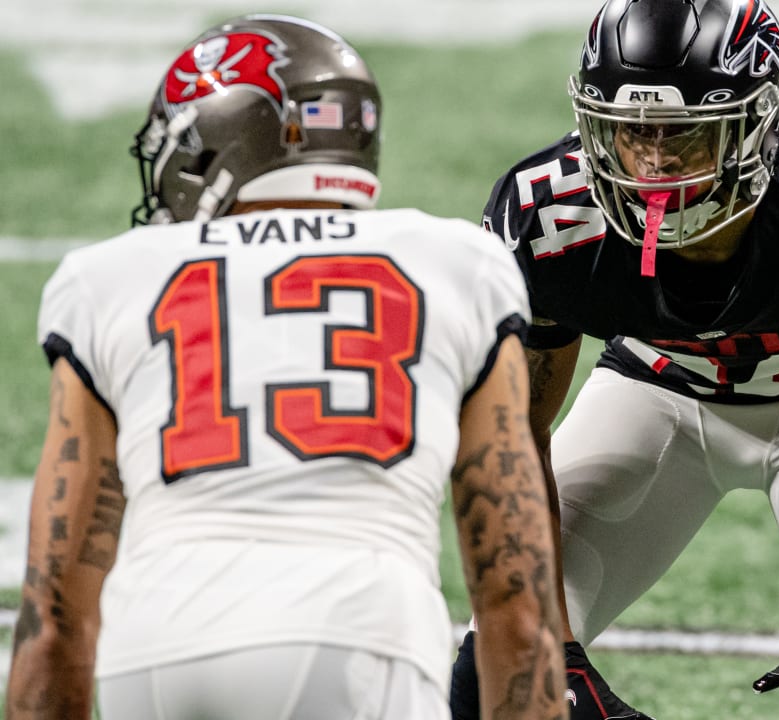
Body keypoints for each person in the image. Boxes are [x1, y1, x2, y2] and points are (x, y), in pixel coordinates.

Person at [5, 14, 566, 720]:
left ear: (216, 141)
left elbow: (55, 617)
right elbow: (515, 606)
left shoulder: (111, 278)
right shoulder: (457, 265)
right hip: (362, 629)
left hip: (158, 638)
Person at [449, 0, 779, 718]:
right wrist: (546, 640)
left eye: (685, 134)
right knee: (498, 669)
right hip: (653, 389)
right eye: (631, 130)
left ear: (759, 123)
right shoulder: (550, 218)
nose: (653, 161)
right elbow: (508, 439)